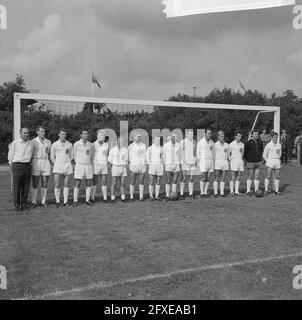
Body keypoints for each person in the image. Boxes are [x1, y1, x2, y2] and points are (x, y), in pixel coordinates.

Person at [8, 128, 34, 211]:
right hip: (17, 165)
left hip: (27, 166)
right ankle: (16, 205)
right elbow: (10, 156)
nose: (26, 134)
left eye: (28, 133)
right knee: (17, 186)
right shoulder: (15, 143)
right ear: (20, 133)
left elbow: (32, 155)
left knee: (26, 187)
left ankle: (24, 204)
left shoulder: (31, 144)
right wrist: (11, 165)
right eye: (25, 133)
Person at [50, 129, 73, 207]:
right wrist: (56, 163)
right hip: (58, 166)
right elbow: (52, 157)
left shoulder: (69, 144)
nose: (64, 136)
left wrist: (67, 161)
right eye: (62, 134)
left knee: (66, 184)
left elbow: (71, 156)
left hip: (67, 165)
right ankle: (57, 201)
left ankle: (65, 201)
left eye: (65, 134)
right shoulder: (55, 144)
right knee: (57, 184)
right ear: (59, 134)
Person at [30, 126, 51, 208]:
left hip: (46, 161)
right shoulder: (33, 141)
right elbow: (30, 153)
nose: (43, 133)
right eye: (41, 131)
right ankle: (34, 201)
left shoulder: (48, 141)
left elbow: (48, 152)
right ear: (37, 132)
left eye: (44, 131)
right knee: (35, 183)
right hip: (36, 162)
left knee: (45, 183)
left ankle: (43, 201)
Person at [73, 130, 93, 207]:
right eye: (84, 134)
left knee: (88, 182)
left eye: (87, 133)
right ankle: (75, 200)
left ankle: (87, 200)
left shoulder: (90, 144)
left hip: (88, 165)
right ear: (81, 135)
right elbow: (74, 155)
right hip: (79, 165)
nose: (86, 135)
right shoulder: (77, 144)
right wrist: (79, 161)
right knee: (78, 182)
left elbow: (91, 155)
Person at [90, 129, 109, 203]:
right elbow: (91, 156)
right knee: (94, 182)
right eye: (101, 135)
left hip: (104, 164)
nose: (102, 137)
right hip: (96, 165)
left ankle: (105, 198)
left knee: (104, 181)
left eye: (103, 135)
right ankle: (92, 197)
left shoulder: (106, 144)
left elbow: (106, 154)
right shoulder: (93, 144)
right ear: (98, 136)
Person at [108, 137, 128, 202]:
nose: (120, 142)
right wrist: (113, 167)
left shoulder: (125, 150)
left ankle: (123, 197)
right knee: (114, 183)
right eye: (119, 141)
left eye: (121, 141)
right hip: (115, 167)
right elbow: (109, 161)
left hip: (123, 167)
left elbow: (126, 160)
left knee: (123, 183)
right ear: (117, 142)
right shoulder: (112, 150)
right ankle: (113, 198)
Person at [244, 130, 263, 196]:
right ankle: (248, 190)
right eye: (255, 134)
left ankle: (256, 190)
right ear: (252, 135)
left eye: (257, 134)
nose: (256, 135)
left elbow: (261, 151)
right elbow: (245, 152)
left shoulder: (260, 142)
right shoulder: (248, 142)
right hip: (250, 161)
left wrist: (261, 158)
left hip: (258, 162)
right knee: (250, 175)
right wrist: (246, 160)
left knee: (257, 176)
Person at [197, 128, 215, 198]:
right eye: (208, 133)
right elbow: (198, 153)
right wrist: (200, 161)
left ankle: (205, 191)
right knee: (203, 177)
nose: (209, 135)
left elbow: (213, 153)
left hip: (210, 161)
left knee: (208, 177)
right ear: (205, 134)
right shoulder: (201, 142)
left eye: (210, 133)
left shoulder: (212, 142)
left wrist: (213, 160)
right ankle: (201, 192)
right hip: (203, 161)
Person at [128, 133, 146, 201]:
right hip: (133, 165)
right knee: (132, 181)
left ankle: (141, 196)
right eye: (137, 137)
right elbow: (129, 156)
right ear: (134, 138)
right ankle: (131, 196)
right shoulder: (131, 146)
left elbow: (145, 155)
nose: (138, 138)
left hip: (142, 165)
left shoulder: (143, 145)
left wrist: (144, 163)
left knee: (141, 181)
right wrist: (131, 163)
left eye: (139, 137)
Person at [163, 133, 181, 200]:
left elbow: (180, 155)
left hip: (176, 164)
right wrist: (164, 163)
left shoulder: (178, 145)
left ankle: (173, 194)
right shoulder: (166, 145)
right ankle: (167, 195)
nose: (174, 138)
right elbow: (164, 155)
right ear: (171, 137)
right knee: (168, 180)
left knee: (175, 180)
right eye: (173, 137)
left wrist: (180, 162)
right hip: (168, 164)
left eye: (175, 137)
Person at [179, 130, 197, 200]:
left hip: (192, 163)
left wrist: (195, 161)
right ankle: (181, 194)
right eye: (190, 134)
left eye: (192, 134)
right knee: (183, 178)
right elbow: (179, 153)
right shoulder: (182, 142)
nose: (191, 136)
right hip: (184, 163)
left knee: (191, 178)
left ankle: (191, 194)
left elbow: (195, 153)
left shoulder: (195, 142)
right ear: (187, 135)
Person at [146, 136, 163, 201]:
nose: (158, 141)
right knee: (151, 181)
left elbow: (163, 157)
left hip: (159, 165)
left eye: (159, 140)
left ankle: (157, 196)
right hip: (152, 165)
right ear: (153, 141)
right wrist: (149, 164)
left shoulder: (161, 148)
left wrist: (162, 162)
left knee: (158, 181)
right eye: (156, 140)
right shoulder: (150, 148)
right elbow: (147, 158)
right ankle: (151, 196)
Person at [213, 131, 229, 197]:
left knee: (223, 178)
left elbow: (228, 155)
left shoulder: (226, 145)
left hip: (225, 163)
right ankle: (215, 193)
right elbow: (213, 155)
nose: (223, 137)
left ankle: (222, 193)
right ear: (218, 137)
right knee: (217, 177)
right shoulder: (215, 144)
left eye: (223, 136)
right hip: (217, 163)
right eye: (221, 136)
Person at [229, 131, 245, 196]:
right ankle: (231, 191)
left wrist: (242, 160)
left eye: (240, 136)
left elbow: (242, 154)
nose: (239, 137)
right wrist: (231, 160)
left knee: (238, 177)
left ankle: (236, 191)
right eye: (238, 136)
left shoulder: (242, 144)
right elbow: (228, 154)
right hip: (233, 162)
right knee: (233, 177)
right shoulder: (231, 144)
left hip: (240, 162)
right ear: (235, 136)